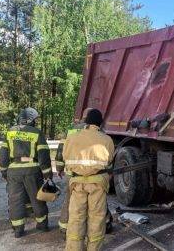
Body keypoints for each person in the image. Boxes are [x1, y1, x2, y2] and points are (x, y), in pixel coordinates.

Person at [63, 108, 114, 251]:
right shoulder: (106, 139)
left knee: (76, 218)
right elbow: (109, 161)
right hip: (97, 183)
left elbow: (65, 157)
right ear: (100, 123)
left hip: (77, 182)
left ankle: (74, 248)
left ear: (86, 121)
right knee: (97, 218)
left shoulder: (72, 138)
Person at [0, 107, 53, 238]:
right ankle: (42, 225)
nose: (36, 122)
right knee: (37, 198)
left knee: (15, 200)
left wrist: (4, 172)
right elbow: (43, 155)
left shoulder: (10, 132)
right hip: (32, 169)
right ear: (31, 120)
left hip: (13, 170)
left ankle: (18, 229)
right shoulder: (36, 132)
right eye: (35, 120)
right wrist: (47, 174)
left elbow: (3, 155)